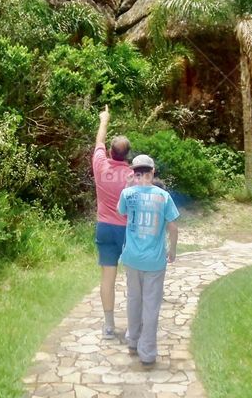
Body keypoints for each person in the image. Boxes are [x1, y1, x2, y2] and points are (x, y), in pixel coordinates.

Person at [117, 154, 179, 366]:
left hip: (132, 258)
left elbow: (122, 212)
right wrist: (173, 250)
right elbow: (172, 225)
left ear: (135, 173)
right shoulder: (163, 196)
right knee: (151, 305)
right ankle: (148, 352)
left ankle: (133, 339)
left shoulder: (127, 193)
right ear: (152, 173)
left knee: (134, 299)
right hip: (154, 260)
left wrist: (128, 185)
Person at [91, 106, 133, 338]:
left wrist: (104, 119)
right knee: (131, 278)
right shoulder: (132, 175)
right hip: (127, 231)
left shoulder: (100, 165)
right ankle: (131, 327)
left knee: (107, 278)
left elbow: (98, 141)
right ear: (127, 156)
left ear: (110, 152)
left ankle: (108, 326)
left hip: (105, 228)